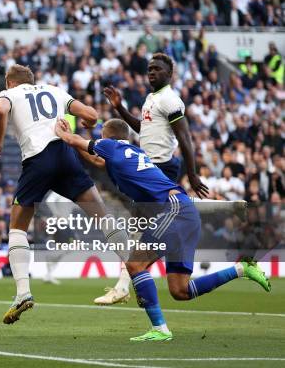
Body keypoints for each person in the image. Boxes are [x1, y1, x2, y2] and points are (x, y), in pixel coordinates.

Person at [55, 117, 270, 341]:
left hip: (174, 211)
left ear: (107, 138)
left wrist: (64, 134)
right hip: (185, 213)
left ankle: (159, 328)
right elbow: (97, 161)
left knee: (134, 264)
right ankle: (242, 269)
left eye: (102, 139)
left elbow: (80, 142)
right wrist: (73, 142)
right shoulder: (131, 153)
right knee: (181, 291)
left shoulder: (111, 146)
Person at [100, 53, 246, 306]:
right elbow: (142, 129)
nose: (151, 72)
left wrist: (192, 172)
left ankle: (123, 286)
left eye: (157, 69)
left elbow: (185, 137)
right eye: (149, 68)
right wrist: (120, 108)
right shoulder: (151, 99)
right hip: (149, 166)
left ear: (170, 74)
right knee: (145, 225)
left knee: (141, 228)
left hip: (161, 167)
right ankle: (222, 207)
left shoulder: (170, 99)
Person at [0, 64, 129, 324]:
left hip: (37, 160)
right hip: (66, 155)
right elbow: (91, 114)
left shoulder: (8, 95)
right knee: (103, 217)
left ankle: (22, 293)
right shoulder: (54, 90)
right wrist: (87, 124)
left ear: (10, 82)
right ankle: (128, 276)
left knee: (17, 227)